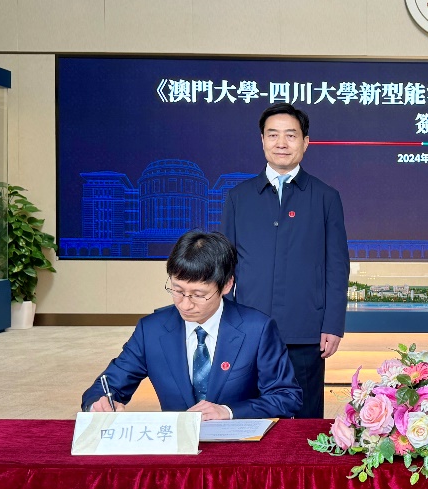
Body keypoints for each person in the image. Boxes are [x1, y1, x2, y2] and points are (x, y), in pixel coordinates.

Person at [81, 230, 302, 419]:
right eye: (177, 290)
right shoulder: (151, 330)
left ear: (227, 285)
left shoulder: (257, 329)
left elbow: (287, 397)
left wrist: (228, 411)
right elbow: (105, 387)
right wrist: (98, 405)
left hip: (239, 445)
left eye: (198, 294)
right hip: (178, 447)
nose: (185, 304)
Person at [222, 102, 349, 419]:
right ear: (262, 140)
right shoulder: (238, 197)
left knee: (304, 421)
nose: (281, 143)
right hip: (248, 330)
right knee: (247, 418)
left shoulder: (326, 197)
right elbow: (225, 267)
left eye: (291, 135)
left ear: (305, 142)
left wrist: (333, 324)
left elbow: (336, 267)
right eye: (273, 135)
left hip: (306, 330)